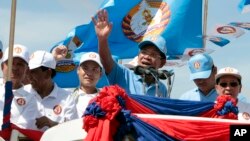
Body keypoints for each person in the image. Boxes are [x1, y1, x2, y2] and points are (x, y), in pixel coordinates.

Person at [92, 9, 168, 97]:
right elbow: (106, 60)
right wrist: (102, 39)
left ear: (162, 62)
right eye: (144, 52)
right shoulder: (123, 74)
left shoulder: (162, 89)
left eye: (153, 54)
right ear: (138, 55)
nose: (147, 57)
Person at [24, 50, 78, 131]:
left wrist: (53, 124)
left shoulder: (67, 98)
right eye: (28, 71)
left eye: (33, 72)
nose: (28, 76)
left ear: (47, 73)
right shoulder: (21, 93)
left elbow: (73, 130)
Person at [0, 44, 38, 129]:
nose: (14, 68)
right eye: (10, 63)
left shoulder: (31, 99)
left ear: (27, 70)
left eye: (20, 64)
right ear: (2, 67)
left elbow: (22, 130)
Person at [71, 52, 103, 118]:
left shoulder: (106, 98)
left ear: (100, 74)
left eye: (94, 69)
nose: (89, 73)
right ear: (78, 70)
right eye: (85, 68)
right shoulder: (68, 96)